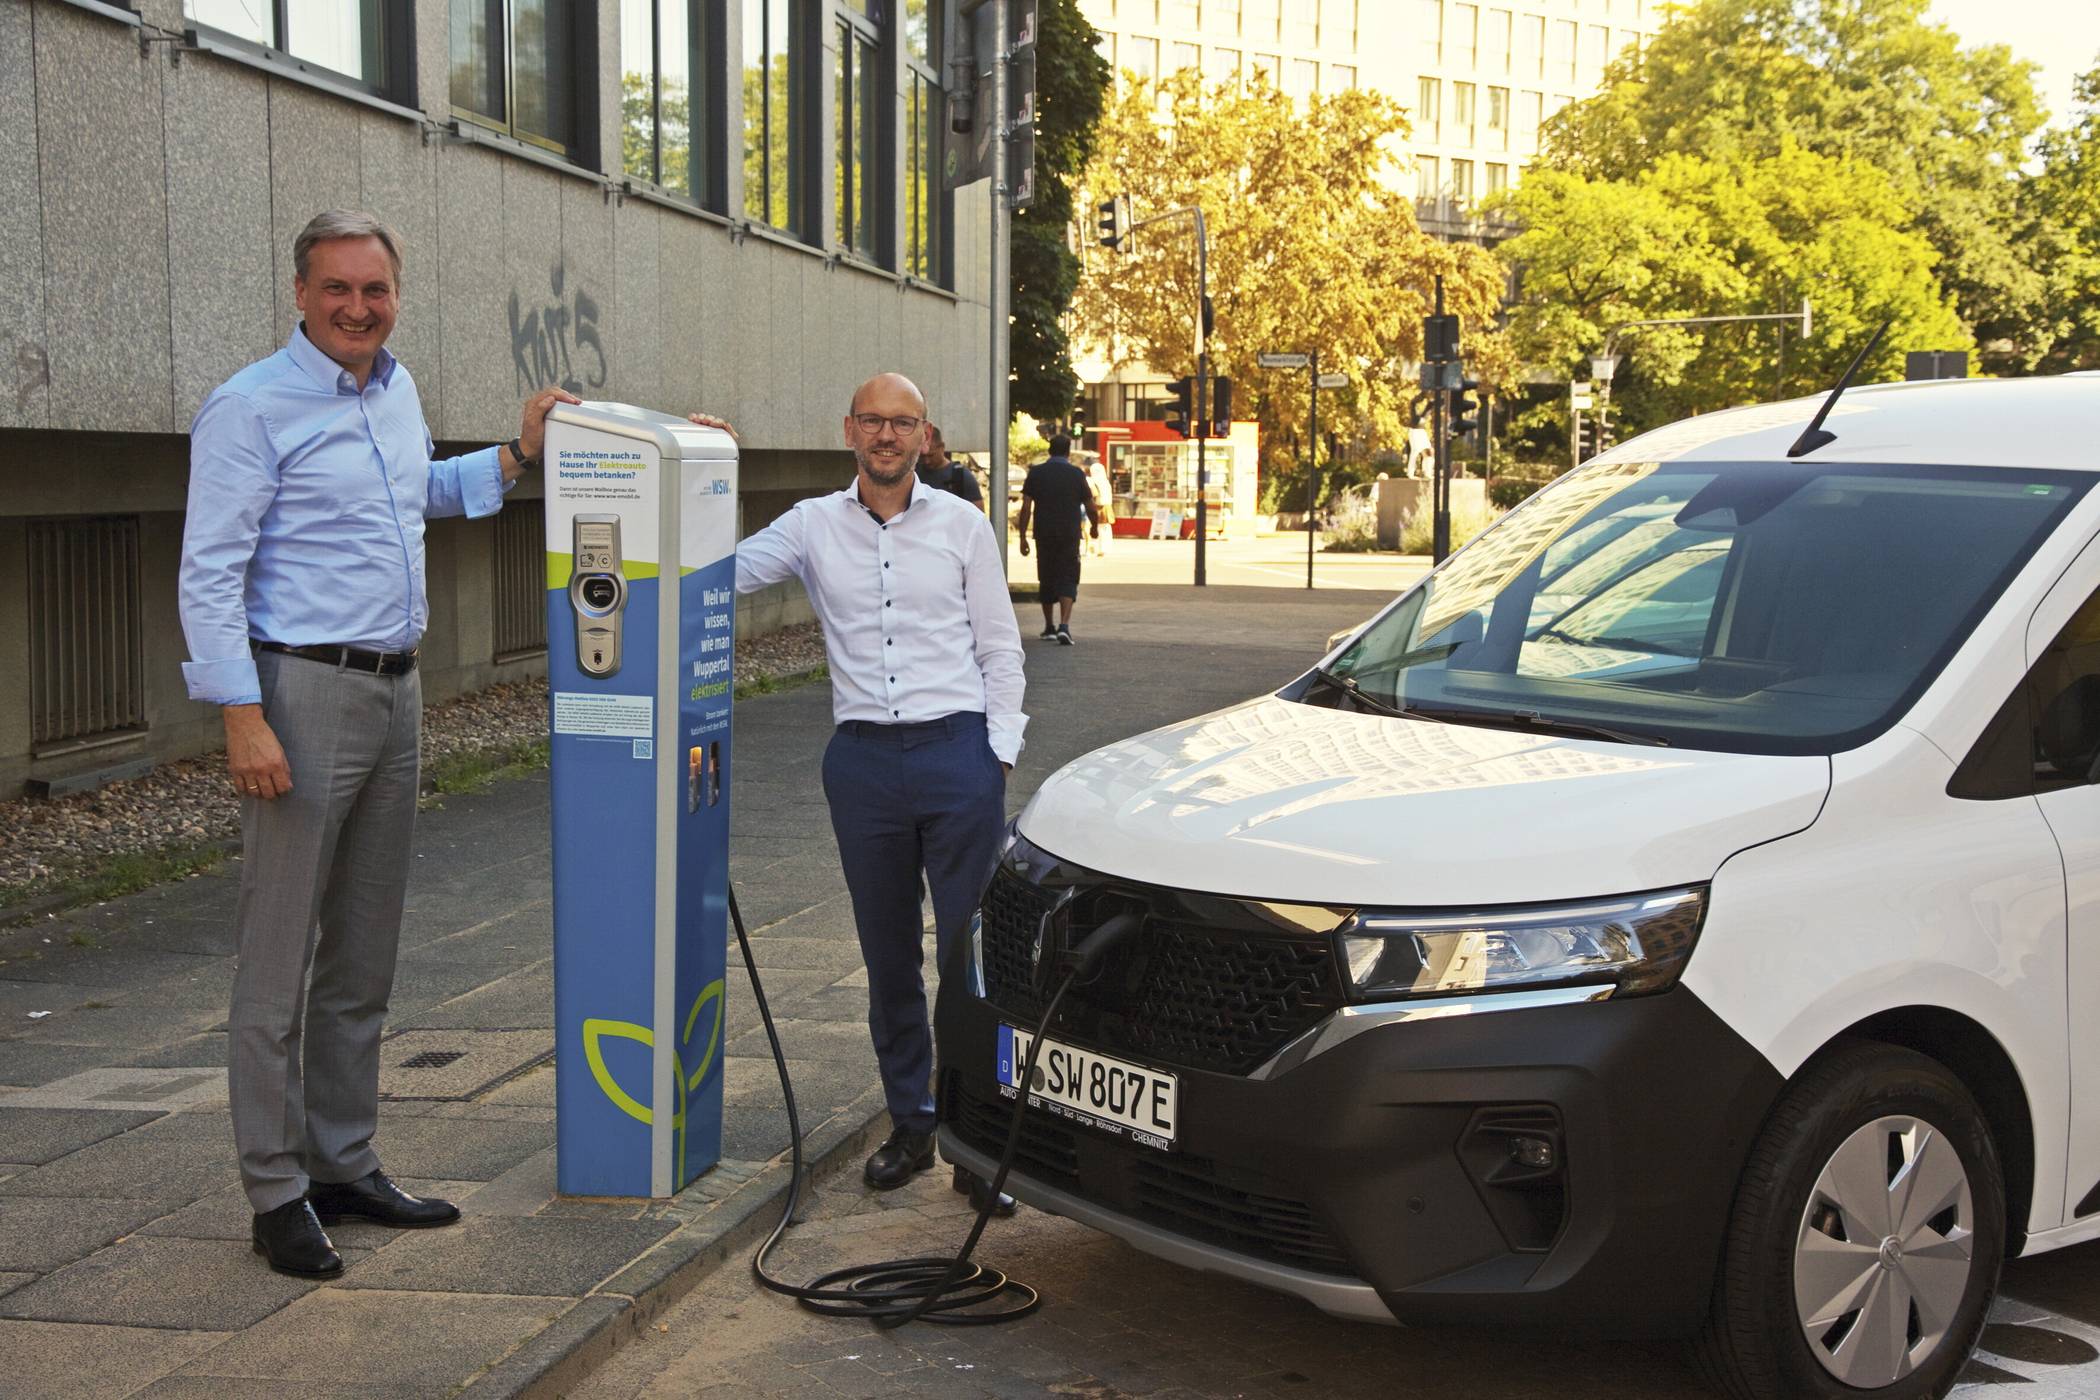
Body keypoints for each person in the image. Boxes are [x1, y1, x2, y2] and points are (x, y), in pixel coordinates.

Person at [178, 210, 583, 1279]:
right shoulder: (251, 406)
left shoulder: (393, 392)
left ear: (396, 295)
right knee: (277, 965)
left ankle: (343, 1160)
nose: (358, 307)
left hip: (396, 694)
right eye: (337, 289)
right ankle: (275, 1190)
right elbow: (209, 569)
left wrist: (512, 452)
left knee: (362, 953)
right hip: (300, 693)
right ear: (300, 293)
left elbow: (421, 495)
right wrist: (239, 710)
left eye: (376, 290)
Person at [721, 374, 1026, 1215]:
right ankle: (912, 1124)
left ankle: (976, 1142)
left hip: (957, 755)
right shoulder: (813, 525)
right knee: (889, 954)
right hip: (863, 765)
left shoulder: (963, 526)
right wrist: (708, 473)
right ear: (849, 430)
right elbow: (720, 574)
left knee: (971, 955)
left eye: (904, 424)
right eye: (873, 422)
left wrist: (995, 753)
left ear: (926, 437)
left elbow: (1001, 649)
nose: (887, 436)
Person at [1017, 433, 1099, 644]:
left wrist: (1022, 537)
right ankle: (1064, 625)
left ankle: (1049, 626)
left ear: (1049, 450)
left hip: (1044, 534)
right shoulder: (1076, 474)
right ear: (1068, 451)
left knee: (1046, 576)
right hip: (1069, 534)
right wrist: (1095, 527)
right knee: (1068, 576)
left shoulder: (1036, 473)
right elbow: (1090, 505)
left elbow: (1026, 507)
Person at [914, 423, 984, 510]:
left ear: (942, 447)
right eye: (922, 456)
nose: (927, 461)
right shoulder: (914, 473)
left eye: (931, 456)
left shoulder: (961, 476)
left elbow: (977, 512)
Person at [1082, 453, 1115, 558]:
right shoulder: (1106, 482)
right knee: (1105, 528)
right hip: (1107, 506)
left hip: (1097, 506)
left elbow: (1094, 494)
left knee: (1094, 528)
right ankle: (1104, 548)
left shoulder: (1092, 481)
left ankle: (1094, 549)